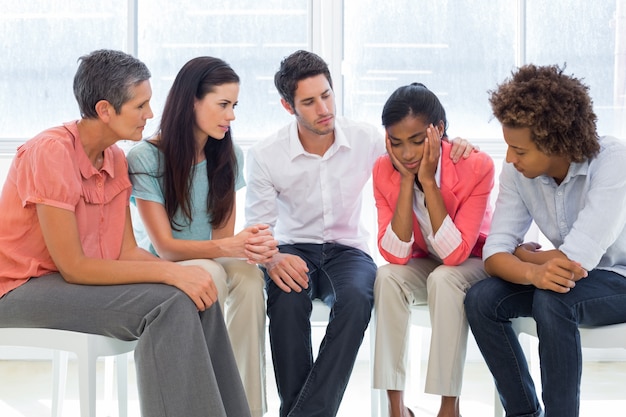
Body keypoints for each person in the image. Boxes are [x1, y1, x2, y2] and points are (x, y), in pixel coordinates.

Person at [0, 49, 251, 417]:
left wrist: (185, 276)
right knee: (169, 301)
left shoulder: (115, 157)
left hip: (68, 284)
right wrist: (171, 272)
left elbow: (126, 252)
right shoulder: (50, 152)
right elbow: (74, 267)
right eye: (140, 105)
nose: (151, 114)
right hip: (19, 288)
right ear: (105, 110)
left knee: (199, 292)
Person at [244, 50, 475, 417]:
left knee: (356, 299)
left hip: (348, 251)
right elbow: (257, 229)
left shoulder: (366, 139)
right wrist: (272, 258)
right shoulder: (265, 154)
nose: (323, 108)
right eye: (309, 101)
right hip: (291, 249)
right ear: (288, 107)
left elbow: (411, 143)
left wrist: (455, 141)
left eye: (326, 95)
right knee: (286, 303)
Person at [464, 64, 626, 417]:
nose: (510, 158)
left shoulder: (613, 160)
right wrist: (532, 270)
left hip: (619, 279)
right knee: (481, 299)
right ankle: (523, 413)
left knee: (554, 299)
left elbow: (575, 262)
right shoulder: (518, 172)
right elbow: (494, 254)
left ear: (556, 141)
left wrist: (527, 258)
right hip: (565, 279)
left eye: (519, 150)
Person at [127, 56, 276, 417]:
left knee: (249, 277)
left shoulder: (229, 155)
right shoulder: (146, 157)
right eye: (223, 105)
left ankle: (247, 407)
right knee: (211, 273)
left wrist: (252, 245)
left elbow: (224, 240)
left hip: (210, 260)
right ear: (191, 100)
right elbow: (164, 247)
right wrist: (230, 246)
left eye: (234, 105)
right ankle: (207, 404)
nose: (232, 116)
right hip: (167, 266)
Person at [372, 83, 494, 417]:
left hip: (475, 261)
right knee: (387, 277)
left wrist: (428, 181)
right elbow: (395, 255)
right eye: (396, 143)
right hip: (428, 261)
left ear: (438, 130)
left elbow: (456, 254)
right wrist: (407, 182)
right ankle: (395, 408)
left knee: (445, 278)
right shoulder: (384, 169)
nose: (407, 154)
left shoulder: (476, 166)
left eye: (416, 141)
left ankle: (447, 407)